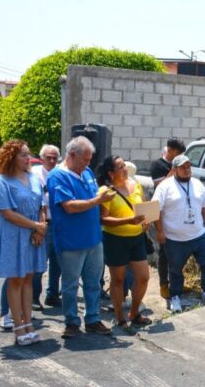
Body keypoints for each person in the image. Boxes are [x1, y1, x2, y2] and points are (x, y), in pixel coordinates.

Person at [47, 136, 116, 338]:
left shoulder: (85, 172)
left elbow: (93, 199)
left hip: (93, 238)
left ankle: (92, 319)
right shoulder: (57, 176)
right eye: (85, 159)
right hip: (71, 241)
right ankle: (71, 322)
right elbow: (69, 206)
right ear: (72, 155)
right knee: (70, 284)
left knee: (93, 282)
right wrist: (98, 200)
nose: (88, 164)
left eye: (89, 160)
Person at [0, 140, 47, 345]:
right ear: (10, 157)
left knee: (29, 278)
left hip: (32, 234)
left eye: (28, 154)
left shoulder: (33, 178)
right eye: (23, 154)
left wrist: (40, 228)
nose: (27, 158)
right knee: (16, 280)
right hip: (14, 235)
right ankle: (18, 326)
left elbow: (41, 205)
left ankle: (29, 323)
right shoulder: (1, 181)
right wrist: (36, 226)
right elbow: (7, 213)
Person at [153, 154, 205, 313]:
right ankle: (175, 297)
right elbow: (155, 209)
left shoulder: (197, 184)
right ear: (175, 169)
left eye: (189, 166)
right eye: (183, 167)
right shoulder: (165, 186)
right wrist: (160, 231)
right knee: (175, 270)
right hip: (175, 238)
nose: (187, 170)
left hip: (198, 235)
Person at [97, 156, 151, 334]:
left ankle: (134, 313)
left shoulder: (135, 185)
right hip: (115, 240)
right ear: (111, 173)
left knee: (143, 277)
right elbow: (103, 219)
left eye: (124, 165)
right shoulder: (106, 191)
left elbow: (142, 207)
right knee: (118, 279)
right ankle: (120, 317)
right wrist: (129, 220)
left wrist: (147, 220)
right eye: (120, 167)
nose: (125, 169)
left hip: (137, 238)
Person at [149, 138, 186, 300]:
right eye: (177, 154)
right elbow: (159, 186)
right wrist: (173, 172)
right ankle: (164, 284)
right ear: (170, 150)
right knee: (164, 252)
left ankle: (176, 282)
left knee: (179, 251)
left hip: (178, 215)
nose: (179, 157)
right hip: (162, 216)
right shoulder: (158, 165)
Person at [32, 144, 62, 308]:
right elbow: (39, 201)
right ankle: (34, 296)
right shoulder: (35, 174)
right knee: (40, 263)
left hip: (60, 224)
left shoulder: (60, 174)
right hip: (44, 223)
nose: (51, 160)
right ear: (41, 158)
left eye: (54, 158)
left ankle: (52, 294)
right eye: (48, 157)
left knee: (57, 263)